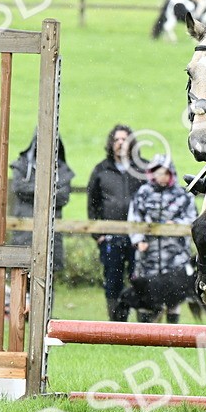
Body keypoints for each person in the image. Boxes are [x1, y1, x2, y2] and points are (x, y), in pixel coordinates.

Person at [124, 155, 197, 323]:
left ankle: (172, 333)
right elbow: (134, 219)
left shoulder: (183, 196)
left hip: (175, 257)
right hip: (148, 257)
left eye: (165, 173)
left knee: (174, 295)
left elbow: (192, 219)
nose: (162, 177)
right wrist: (138, 240)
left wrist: (176, 225)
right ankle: (146, 333)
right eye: (158, 173)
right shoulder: (142, 194)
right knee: (145, 294)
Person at [87, 124, 142, 321]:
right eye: (117, 140)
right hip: (110, 237)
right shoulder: (101, 170)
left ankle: (144, 325)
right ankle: (116, 324)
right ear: (111, 144)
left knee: (140, 278)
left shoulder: (142, 169)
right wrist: (97, 233)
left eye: (124, 140)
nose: (120, 144)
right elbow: (92, 204)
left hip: (138, 237)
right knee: (113, 280)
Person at [10, 130, 75, 274]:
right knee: (21, 274)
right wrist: (47, 191)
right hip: (25, 229)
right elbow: (19, 187)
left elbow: (63, 196)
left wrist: (36, 192)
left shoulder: (62, 169)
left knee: (48, 277)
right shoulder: (22, 164)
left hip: (51, 231)